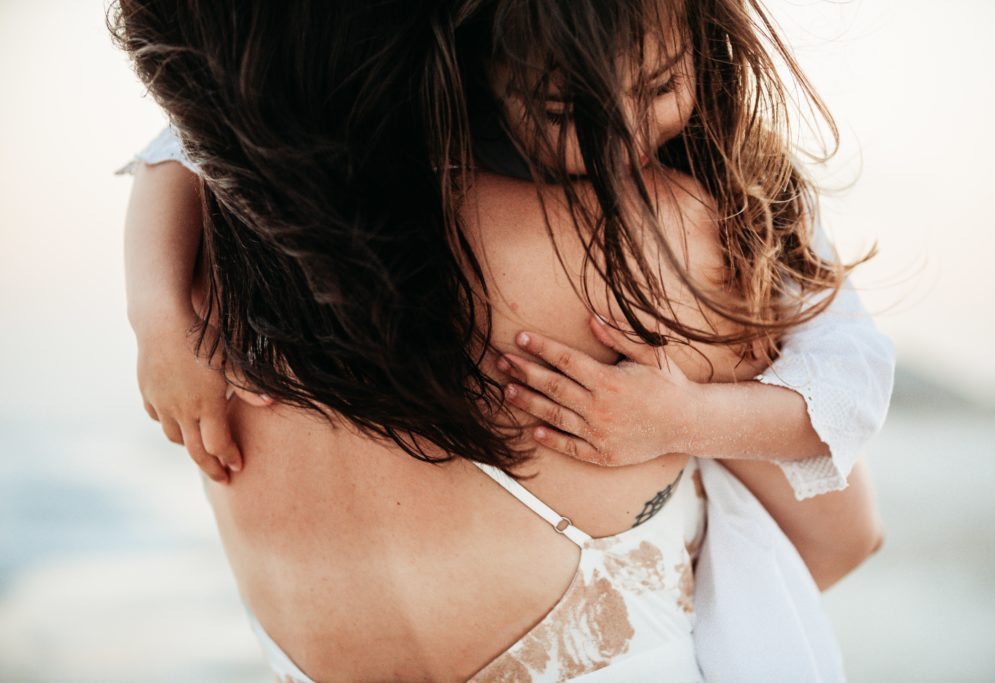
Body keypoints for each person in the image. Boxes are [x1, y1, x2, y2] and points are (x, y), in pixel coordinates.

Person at [112, 0, 892, 680]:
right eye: (561, 110)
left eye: (658, 88)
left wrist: (153, 315)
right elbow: (843, 535)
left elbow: (180, 142)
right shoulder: (663, 240)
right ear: (476, 63)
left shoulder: (199, 278)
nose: (619, 146)